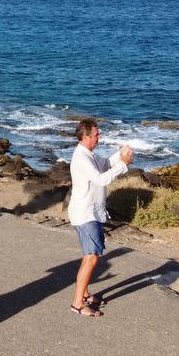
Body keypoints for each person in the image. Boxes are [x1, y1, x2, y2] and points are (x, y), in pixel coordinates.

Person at [67, 118, 132, 317]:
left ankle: (85, 295)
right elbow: (101, 179)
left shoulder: (89, 155)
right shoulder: (82, 158)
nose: (99, 137)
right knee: (91, 257)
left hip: (90, 212)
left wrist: (120, 155)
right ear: (86, 136)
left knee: (90, 256)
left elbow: (105, 165)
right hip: (85, 213)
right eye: (96, 134)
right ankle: (77, 303)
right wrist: (123, 165)